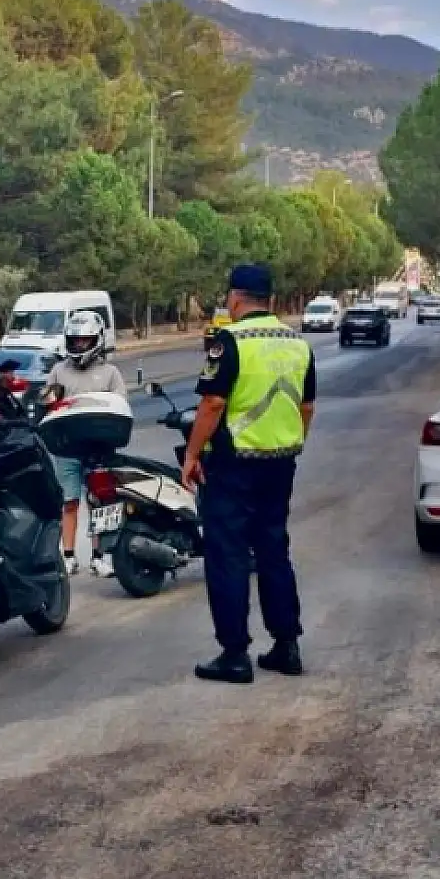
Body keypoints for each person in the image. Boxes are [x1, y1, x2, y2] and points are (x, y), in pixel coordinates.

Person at [182, 264, 317, 683]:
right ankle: (287, 646)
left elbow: (213, 405)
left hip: (234, 465)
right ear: (272, 302)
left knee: (229, 556)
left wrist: (192, 454)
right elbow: (307, 408)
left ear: (235, 299)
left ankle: (235, 653)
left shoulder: (230, 341)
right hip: (280, 462)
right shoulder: (298, 344)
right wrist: (292, 441)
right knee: (274, 551)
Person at [42, 309, 124, 576]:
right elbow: (47, 401)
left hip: (99, 449)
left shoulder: (110, 373)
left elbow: (120, 405)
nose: (79, 345)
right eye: (75, 341)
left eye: (85, 340)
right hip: (67, 448)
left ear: (97, 339)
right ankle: (68, 556)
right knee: (69, 502)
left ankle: (101, 555)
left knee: (100, 502)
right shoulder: (58, 371)